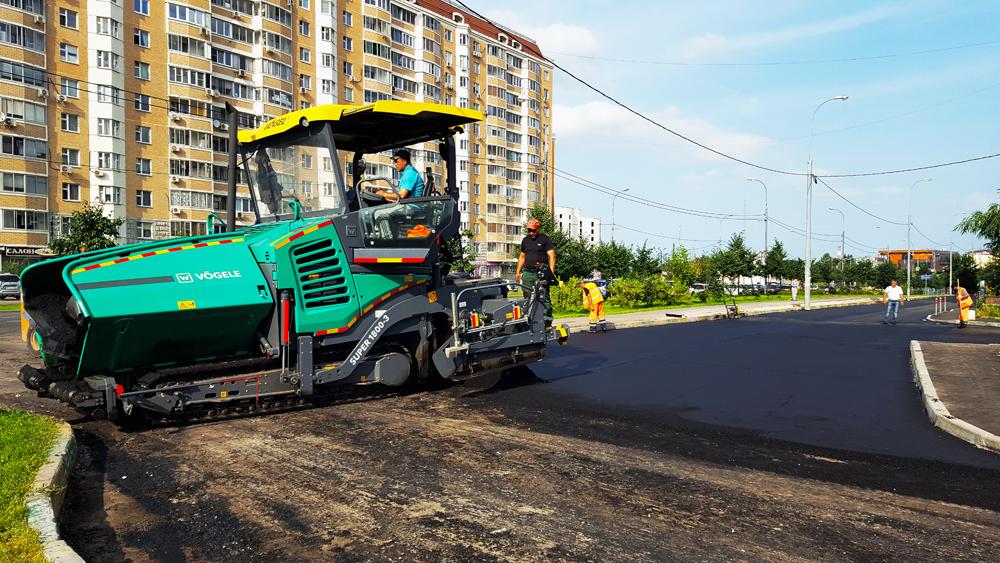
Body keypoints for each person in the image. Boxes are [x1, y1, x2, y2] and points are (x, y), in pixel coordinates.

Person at [515, 218, 556, 322]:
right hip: (527, 272)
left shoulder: (545, 239)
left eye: (533, 230)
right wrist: (518, 272)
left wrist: (550, 273)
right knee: (527, 295)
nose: (531, 233)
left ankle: (547, 319)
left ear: (538, 229)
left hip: (541, 273)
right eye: (529, 230)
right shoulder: (525, 240)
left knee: (544, 295)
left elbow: (552, 256)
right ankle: (530, 317)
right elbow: (522, 256)